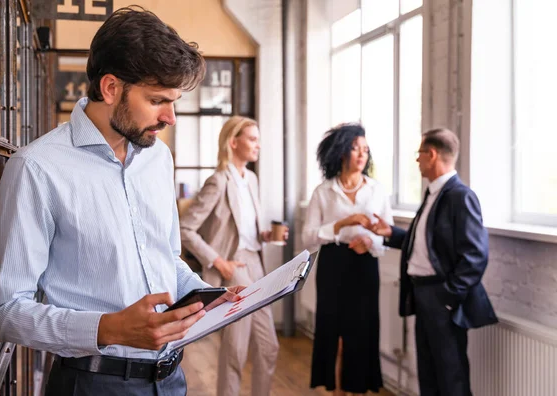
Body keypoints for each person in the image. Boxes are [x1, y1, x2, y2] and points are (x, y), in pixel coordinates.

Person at [0, 7, 243, 396]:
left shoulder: (158, 158)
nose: (170, 117)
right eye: (158, 100)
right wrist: (108, 328)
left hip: (173, 378)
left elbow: (165, 257)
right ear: (110, 88)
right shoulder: (37, 168)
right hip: (91, 383)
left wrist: (207, 295)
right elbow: (6, 314)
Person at [367, 128, 498, 396]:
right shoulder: (433, 194)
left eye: (419, 154)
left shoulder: (460, 196)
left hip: (441, 297)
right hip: (422, 294)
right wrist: (392, 233)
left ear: (433, 154)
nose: (417, 161)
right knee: (428, 374)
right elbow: (428, 246)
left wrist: (448, 296)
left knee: (451, 378)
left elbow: (475, 256)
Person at [179, 116, 284, 396]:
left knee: (268, 345)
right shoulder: (219, 181)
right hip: (233, 266)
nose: (258, 145)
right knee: (235, 350)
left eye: (258, 139)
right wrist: (218, 261)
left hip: (256, 263)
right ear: (233, 142)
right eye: (252, 139)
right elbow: (186, 228)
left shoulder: (251, 178)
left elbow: (245, 228)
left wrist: (266, 236)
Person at [302, 123, 393, 396]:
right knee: (334, 334)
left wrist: (371, 241)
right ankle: (337, 390)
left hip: (365, 267)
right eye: (355, 148)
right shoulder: (323, 191)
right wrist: (342, 224)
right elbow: (308, 237)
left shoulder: (377, 190)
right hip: (333, 265)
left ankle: (358, 390)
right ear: (342, 152)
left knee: (361, 334)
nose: (361, 154)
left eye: (365, 149)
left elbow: (386, 235)